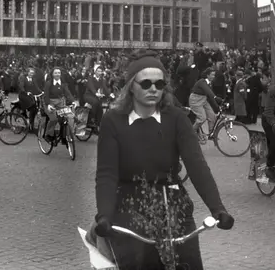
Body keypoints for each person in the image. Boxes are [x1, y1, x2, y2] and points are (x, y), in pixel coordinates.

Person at [93, 49, 234, 270]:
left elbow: (197, 166)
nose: (153, 89)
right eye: (146, 83)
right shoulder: (113, 120)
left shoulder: (177, 118)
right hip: (129, 204)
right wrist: (104, 215)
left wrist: (218, 208)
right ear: (131, 86)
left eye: (159, 84)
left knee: (187, 262)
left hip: (173, 203)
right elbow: (106, 173)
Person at [43, 67, 78, 142]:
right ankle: (48, 134)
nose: (57, 74)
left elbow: (68, 93)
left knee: (67, 117)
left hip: (60, 103)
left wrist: (73, 101)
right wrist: (48, 104)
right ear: (52, 74)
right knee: (54, 119)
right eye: (55, 73)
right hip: (50, 103)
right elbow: (46, 95)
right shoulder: (48, 83)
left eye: (59, 73)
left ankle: (65, 136)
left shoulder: (63, 84)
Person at [188, 68, 219, 136]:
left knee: (212, 116)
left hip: (203, 100)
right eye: (212, 75)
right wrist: (215, 97)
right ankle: (191, 133)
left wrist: (217, 106)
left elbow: (210, 96)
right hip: (195, 100)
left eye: (214, 75)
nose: (213, 76)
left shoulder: (209, 83)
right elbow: (208, 91)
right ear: (207, 75)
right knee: (202, 118)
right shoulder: (202, 81)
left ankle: (211, 134)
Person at [84, 65, 114, 131]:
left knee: (100, 109)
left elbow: (105, 88)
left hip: (96, 96)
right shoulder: (90, 78)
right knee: (95, 102)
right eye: (98, 71)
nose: (100, 73)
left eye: (101, 71)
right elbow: (91, 87)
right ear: (95, 71)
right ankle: (92, 120)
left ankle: (97, 125)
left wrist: (110, 94)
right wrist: (96, 93)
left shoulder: (101, 80)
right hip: (88, 95)